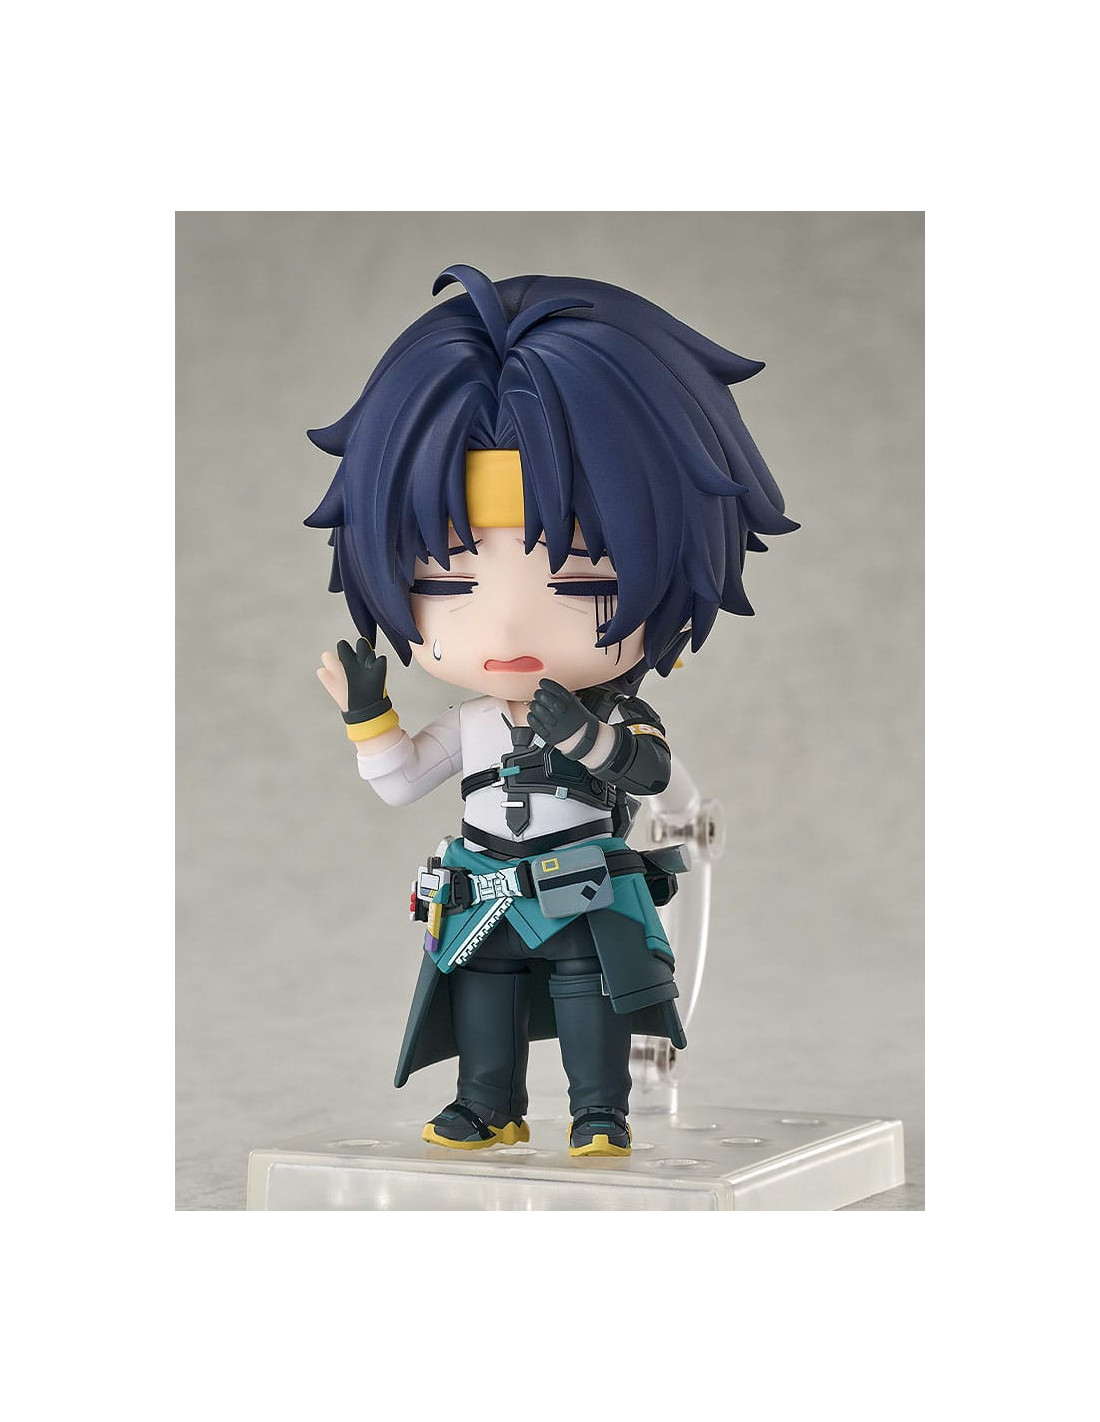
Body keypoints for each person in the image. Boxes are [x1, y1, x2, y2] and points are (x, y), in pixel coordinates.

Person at [307, 264, 796, 1156]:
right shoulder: (471, 724)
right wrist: (369, 717)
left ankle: (599, 1110)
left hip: (584, 885)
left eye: (580, 583)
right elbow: (399, 782)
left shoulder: (616, 711)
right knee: (482, 997)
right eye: (445, 583)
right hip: (483, 888)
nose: (504, 628)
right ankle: (486, 1104)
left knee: (591, 998)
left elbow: (647, 772)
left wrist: (585, 734)